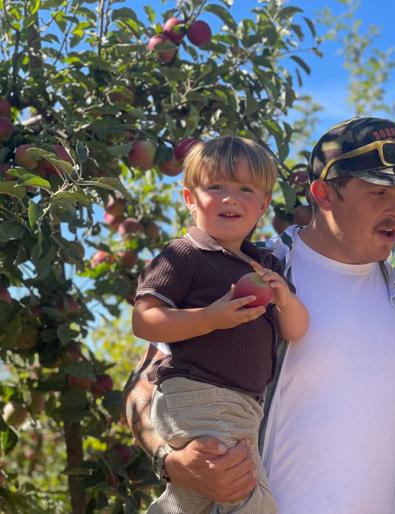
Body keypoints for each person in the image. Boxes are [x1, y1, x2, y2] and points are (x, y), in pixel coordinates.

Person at [123, 117, 395, 514]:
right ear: (323, 194)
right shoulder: (247, 269)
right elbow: (142, 386)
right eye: (380, 192)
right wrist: (171, 461)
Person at [132, 136, 309, 514]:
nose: (230, 198)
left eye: (245, 189)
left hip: (243, 407)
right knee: (246, 497)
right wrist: (210, 318)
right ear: (189, 199)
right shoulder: (183, 255)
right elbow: (144, 320)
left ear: (262, 205)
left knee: (192, 498)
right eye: (216, 186)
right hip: (198, 393)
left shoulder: (264, 266)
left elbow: (295, 330)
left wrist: (286, 299)